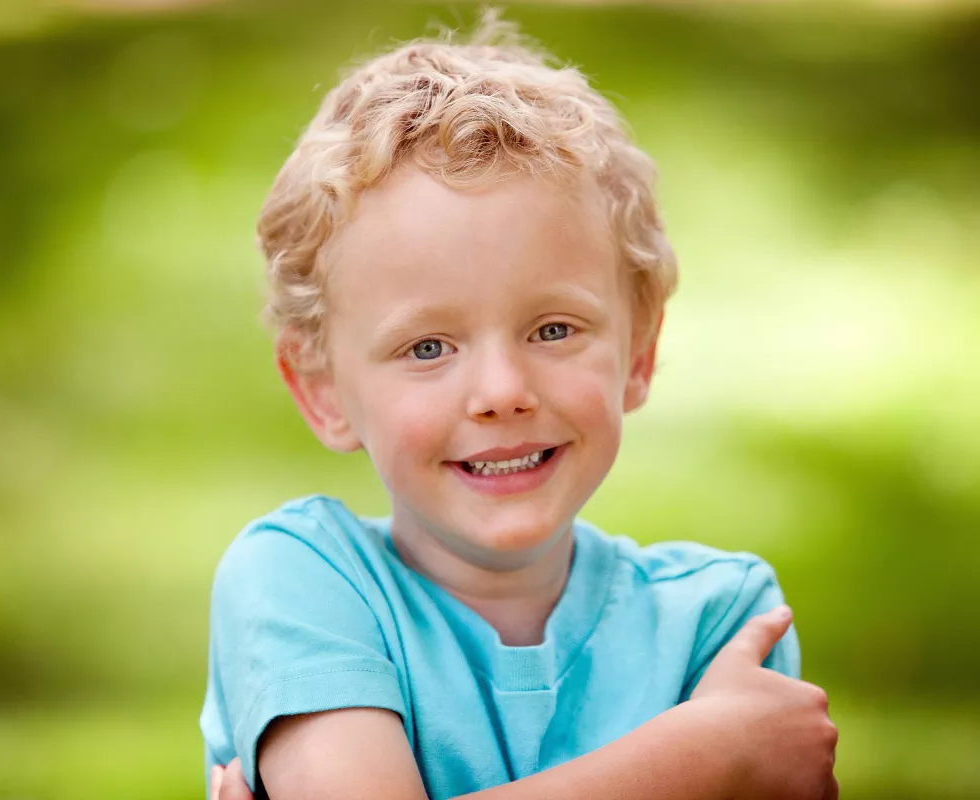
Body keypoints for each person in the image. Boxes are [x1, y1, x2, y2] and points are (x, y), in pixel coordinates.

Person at [201, 11, 838, 800]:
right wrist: (704, 757)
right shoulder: (300, 580)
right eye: (427, 347)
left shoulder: (720, 622)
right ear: (322, 391)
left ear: (639, 354)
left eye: (553, 329)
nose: (502, 392)